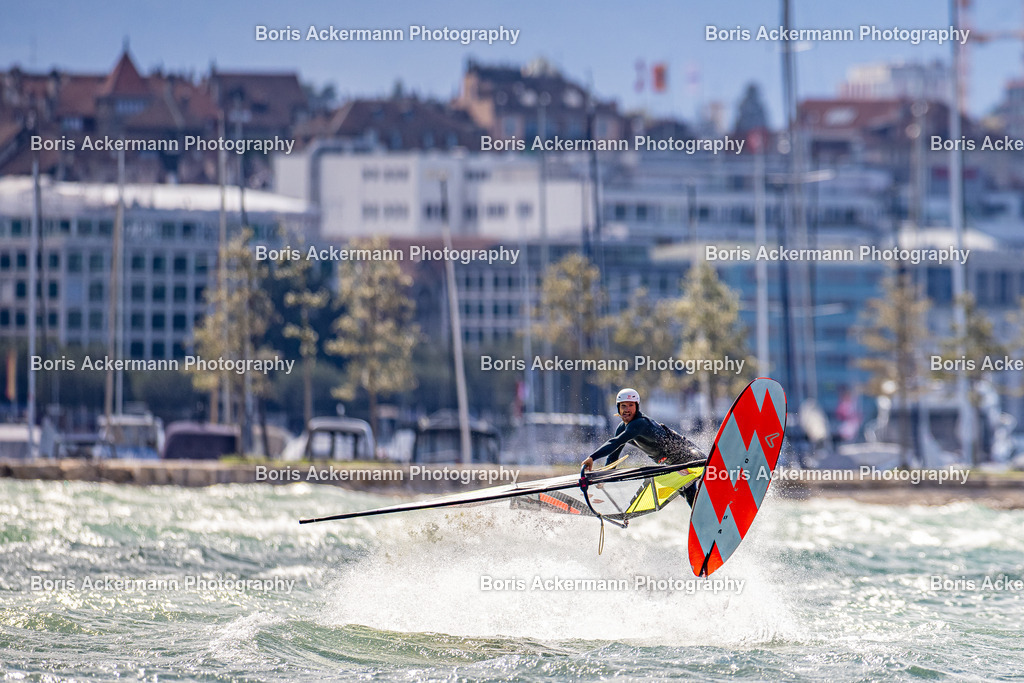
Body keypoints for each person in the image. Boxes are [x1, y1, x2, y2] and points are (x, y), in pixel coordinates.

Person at [581, 388, 706, 505]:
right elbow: (613, 457)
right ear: (618, 408)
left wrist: (592, 457)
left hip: (687, 453)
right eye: (623, 406)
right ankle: (707, 525)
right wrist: (605, 479)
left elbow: (615, 442)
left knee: (706, 469)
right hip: (672, 465)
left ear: (637, 406)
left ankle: (717, 474)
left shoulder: (639, 423)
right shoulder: (621, 428)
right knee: (691, 496)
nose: (627, 409)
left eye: (631, 405)